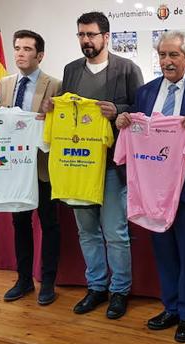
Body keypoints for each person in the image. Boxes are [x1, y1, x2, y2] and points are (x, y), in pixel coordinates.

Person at [116, 30, 185, 342]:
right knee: (163, 253)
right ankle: (171, 307)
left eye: (173, 55)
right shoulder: (147, 91)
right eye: (163, 55)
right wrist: (124, 122)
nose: (167, 61)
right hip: (154, 190)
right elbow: (137, 130)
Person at [50, 11, 143, 319]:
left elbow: (140, 113)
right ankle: (96, 287)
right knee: (87, 231)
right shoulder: (71, 69)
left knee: (115, 232)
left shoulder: (128, 69)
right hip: (77, 166)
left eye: (91, 34)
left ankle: (119, 291)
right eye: (81, 35)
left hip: (112, 165)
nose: (86, 40)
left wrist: (117, 109)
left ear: (106, 36)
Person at [0, 30, 62, 305]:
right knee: (19, 223)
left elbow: (60, 124)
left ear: (40, 55)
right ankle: (23, 280)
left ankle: (47, 281)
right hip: (15, 167)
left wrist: (52, 113)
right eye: (17, 48)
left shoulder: (56, 85)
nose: (20, 53)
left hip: (44, 166)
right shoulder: (6, 84)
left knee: (49, 224)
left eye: (27, 49)